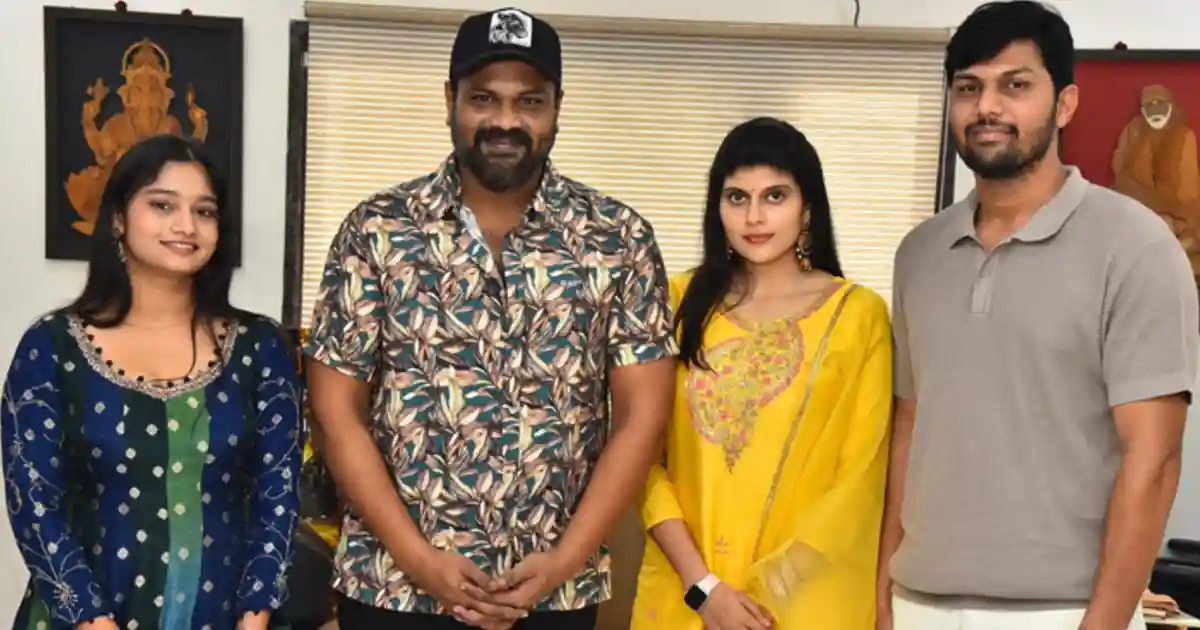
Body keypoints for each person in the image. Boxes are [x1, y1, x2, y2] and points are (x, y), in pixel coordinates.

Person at [302, 6, 676, 630]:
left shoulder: (618, 238)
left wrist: (564, 562)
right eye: (484, 98)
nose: (506, 121)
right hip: (394, 588)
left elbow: (643, 416)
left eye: (529, 101)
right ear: (449, 99)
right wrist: (418, 559)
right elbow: (336, 409)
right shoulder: (377, 230)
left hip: (554, 593)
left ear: (557, 107)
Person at [877, 3, 1199, 630]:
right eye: (968, 88)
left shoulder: (1135, 245)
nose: (987, 107)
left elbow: (1154, 459)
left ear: (1066, 104)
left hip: (1063, 611)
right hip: (921, 601)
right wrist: (885, 589)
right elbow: (910, 426)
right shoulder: (919, 253)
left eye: (1015, 85)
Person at [1, 134, 303, 630]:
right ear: (118, 218)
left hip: (234, 618)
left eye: (204, 211)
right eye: (162, 205)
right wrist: (92, 621)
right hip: (83, 619)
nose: (186, 226)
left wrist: (254, 620)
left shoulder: (260, 348)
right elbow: (35, 505)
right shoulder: (51, 348)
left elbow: (279, 495)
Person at [629, 117, 893, 630]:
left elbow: (861, 476)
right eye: (737, 197)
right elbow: (640, 456)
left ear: (808, 207)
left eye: (775, 196)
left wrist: (767, 591)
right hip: (684, 598)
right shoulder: (677, 303)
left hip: (804, 605)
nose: (754, 216)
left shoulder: (858, 316)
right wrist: (705, 589)